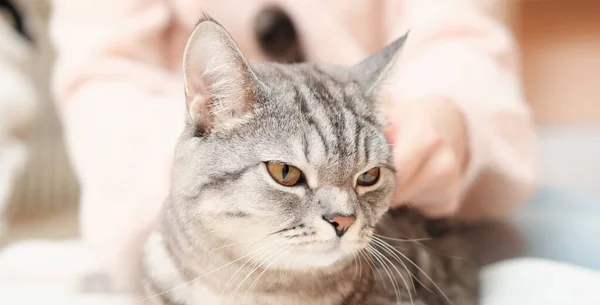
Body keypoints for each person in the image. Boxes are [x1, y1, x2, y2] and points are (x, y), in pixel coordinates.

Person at [49, 0, 537, 290]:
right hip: (197, 196)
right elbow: (104, 76)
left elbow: (457, 32)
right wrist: (220, 149)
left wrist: (451, 115)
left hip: (412, 199)